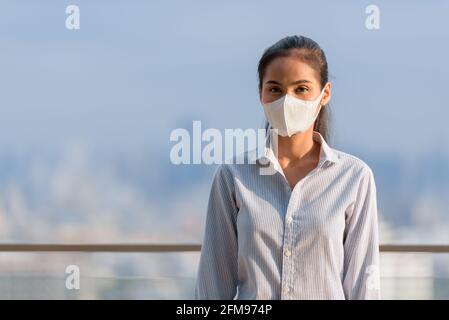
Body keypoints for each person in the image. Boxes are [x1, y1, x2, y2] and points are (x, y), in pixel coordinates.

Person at [195, 35, 380, 300]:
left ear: (324, 93)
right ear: (261, 94)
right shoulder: (233, 176)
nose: (287, 100)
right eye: (275, 89)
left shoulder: (354, 178)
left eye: (301, 89)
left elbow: (364, 284)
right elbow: (213, 285)